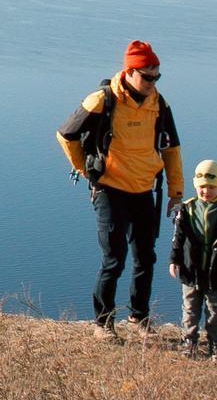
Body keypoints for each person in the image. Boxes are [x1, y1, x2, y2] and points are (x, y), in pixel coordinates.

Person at [56, 40, 184, 339]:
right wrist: (84, 169)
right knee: (114, 259)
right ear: (129, 71)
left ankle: (139, 318)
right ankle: (104, 323)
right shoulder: (102, 100)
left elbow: (172, 150)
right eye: (147, 76)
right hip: (110, 192)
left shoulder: (160, 105)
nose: (153, 83)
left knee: (146, 257)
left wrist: (176, 193)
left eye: (157, 77)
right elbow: (66, 134)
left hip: (144, 191)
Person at [167, 158, 217, 357]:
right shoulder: (185, 209)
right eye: (202, 187)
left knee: (215, 312)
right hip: (191, 270)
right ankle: (189, 343)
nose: (206, 191)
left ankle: (215, 344)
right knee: (190, 311)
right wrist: (174, 260)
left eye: (210, 187)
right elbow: (178, 238)